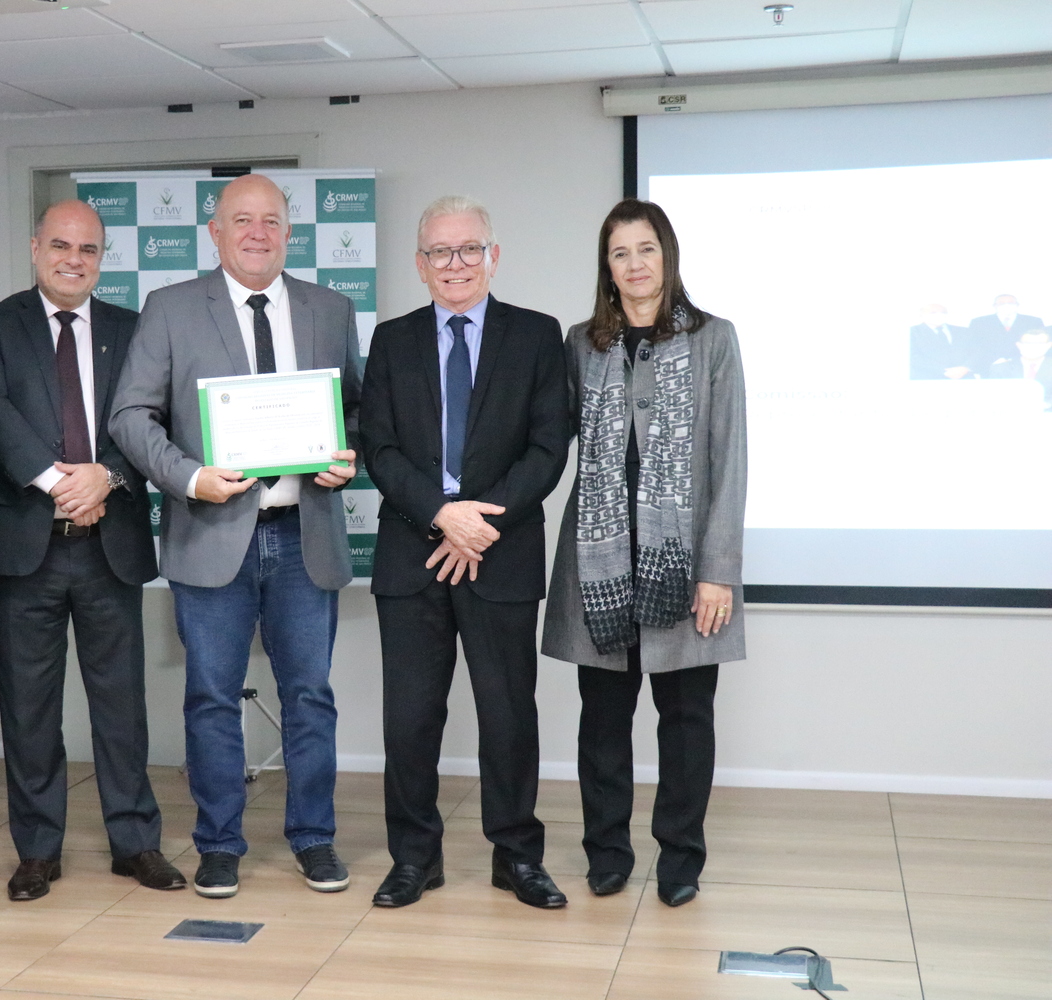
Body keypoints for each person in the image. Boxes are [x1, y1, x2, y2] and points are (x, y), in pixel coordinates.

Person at [109, 173, 361, 899]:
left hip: (303, 535)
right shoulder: (171, 309)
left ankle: (314, 839)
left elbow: (361, 412)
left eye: (271, 220)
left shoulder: (329, 308)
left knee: (310, 697)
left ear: (290, 232)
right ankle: (219, 844)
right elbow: (130, 416)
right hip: (210, 532)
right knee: (211, 699)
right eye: (241, 220)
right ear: (214, 232)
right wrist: (188, 478)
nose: (257, 232)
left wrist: (348, 457)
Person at [0, 199, 184, 903]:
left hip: (107, 543)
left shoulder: (132, 326)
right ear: (35, 248)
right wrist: (61, 482)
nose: (73, 259)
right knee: (29, 707)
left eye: (88, 249)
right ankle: (36, 850)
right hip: (25, 541)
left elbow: (152, 416)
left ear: (101, 257)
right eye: (60, 245)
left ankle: (136, 842)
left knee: (121, 703)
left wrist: (107, 475)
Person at [359, 196, 571, 909]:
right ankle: (414, 858)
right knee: (411, 719)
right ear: (420, 264)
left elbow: (549, 446)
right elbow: (379, 447)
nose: (455, 265)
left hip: (500, 553)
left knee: (509, 715)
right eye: (439, 253)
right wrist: (442, 516)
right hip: (411, 554)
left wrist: (482, 524)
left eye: (468, 250)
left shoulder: (538, 337)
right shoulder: (391, 340)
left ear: (494, 256)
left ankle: (516, 857)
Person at [542, 199, 747, 909]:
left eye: (647, 249)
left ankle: (681, 859)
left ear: (669, 256)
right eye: (621, 252)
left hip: (686, 566)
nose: (635, 264)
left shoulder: (713, 339)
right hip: (599, 568)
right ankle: (607, 853)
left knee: (687, 722)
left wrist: (718, 570)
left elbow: (730, 460)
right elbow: (546, 440)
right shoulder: (580, 343)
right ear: (607, 266)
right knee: (602, 721)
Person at [968, 295, 1043, 372]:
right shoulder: (979, 322)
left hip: (1024, 367)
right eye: (1002, 303)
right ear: (994, 306)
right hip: (988, 367)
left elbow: (1041, 344)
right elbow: (974, 346)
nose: (1007, 305)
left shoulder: (1033, 321)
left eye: (1011, 303)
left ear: (1017, 305)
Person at [987, 327, 1052, 406]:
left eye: (1040, 343)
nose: (1033, 347)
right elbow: (993, 397)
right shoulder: (1000, 368)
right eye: (1028, 343)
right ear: (1019, 345)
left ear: (1049, 345)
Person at [909, 304, 975, 380]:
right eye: (933, 313)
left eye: (943, 312)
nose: (939, 315)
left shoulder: (963, 331)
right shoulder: (911, 332)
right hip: (927, 378)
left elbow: (976, 352)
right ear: (922, 315)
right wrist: (944, 371)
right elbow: (913, 356)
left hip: (964, 377)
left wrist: (965, 368)